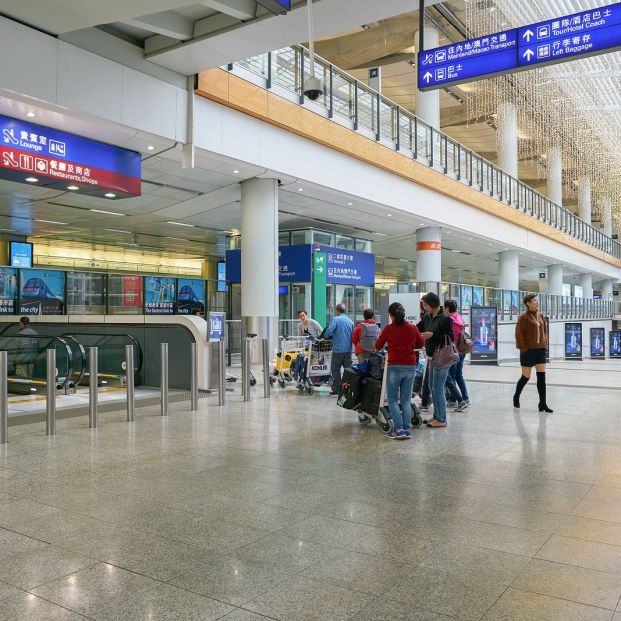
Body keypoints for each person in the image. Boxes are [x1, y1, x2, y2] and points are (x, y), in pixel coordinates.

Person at [375, 302, 424, 440]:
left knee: (392, 399)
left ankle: (399, 429)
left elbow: (377, 345)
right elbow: (420, 343)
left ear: (391, 315)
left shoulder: (389, 329)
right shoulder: (413, 328)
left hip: (394, 367)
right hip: (410, 366)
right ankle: (407, 429)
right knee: (406, 399)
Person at [418, 292, 454, 428]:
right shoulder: (427, 317)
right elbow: (417, 328)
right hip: (431, 356)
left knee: (438, 388)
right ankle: (436, 416)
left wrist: (432, 335)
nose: (424, 308)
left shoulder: (445, 319)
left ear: (433, 304)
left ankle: (442, 419)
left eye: (426, 305)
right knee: (432, 387)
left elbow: (450, 338)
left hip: (442, 358)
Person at [513, 294, 553, 412]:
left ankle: (543, 404)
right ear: (528, 304)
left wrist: (545, 345)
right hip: (528, 351)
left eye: (536, 300)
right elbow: (519, 334)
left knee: (542, 378)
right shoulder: (524, 317)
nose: (537, 302)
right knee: (526, 376)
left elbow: (545, 332)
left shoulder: (541, 316)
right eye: (534, 301)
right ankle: (516, 396)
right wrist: (523, 349)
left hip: (540, 350)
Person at [444, 300, 470, 411]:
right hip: (462, 350)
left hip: (454, 352)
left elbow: (451, 338)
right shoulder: (459, 317)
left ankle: (453, 399)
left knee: (452, 375)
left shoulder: (450, 320)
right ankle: (465, 396)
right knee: (459, 375)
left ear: (447, 309)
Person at [323, 303, 354, 394]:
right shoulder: (350, 321)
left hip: (338, 350)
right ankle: (347, 389)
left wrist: (325, 336)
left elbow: (329, 331)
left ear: (337, 310)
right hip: (348, 350)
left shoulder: (335, 319)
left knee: (335, 370)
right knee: (348, 370)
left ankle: (337, 389)